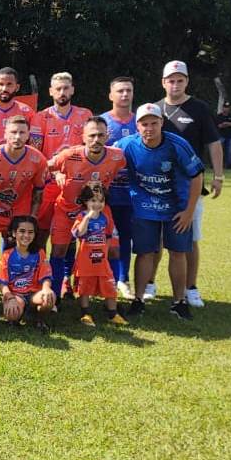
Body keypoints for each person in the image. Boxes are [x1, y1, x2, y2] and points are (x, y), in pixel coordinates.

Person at [114, 103, 204, 321]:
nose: (149, 128)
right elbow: (106, 159)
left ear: (162, 123)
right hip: (145, 208)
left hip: (177, 209)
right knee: (145, 253)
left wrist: (189, 211)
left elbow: (197, 176)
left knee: (177, 252)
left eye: (154, 123)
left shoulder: (177, 145)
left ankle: (179, 302)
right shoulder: (126, 145)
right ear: (137, 126)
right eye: (144, 124)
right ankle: (138, 300)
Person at [156, 60, 223, 309]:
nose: (175, 85)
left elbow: (214, 143)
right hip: (159, 185)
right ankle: (150, 283)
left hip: (190, 186)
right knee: (158, 238)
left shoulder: (199, 108)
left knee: (190, 238)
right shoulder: (156, 110)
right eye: (171, 80)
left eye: (180, 80)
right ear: (164, 82)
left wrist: (218, 176)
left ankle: (191, 287)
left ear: (186, 81)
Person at [45, 117, 125, 301]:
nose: (96, 139)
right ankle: (55, 296)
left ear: (107, 136)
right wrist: (57, 173)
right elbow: (46, 166)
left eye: (100, 135)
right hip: (67, 210)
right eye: (92, 135)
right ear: (83, 137)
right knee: (59, 250)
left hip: (98, 210)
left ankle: (110, 298)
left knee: (113, 249)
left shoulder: (116, 156)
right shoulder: (69, 155)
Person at [0, 116, 49, 305]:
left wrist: (31, 217)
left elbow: (38, 191)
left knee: (14, 252)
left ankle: (14, 292)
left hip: (19, 214)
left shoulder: (37, 159)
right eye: (13, 132)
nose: (17, 136)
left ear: (28, 136)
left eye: (22, 132)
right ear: (5, 134)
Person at [30, 72, 92, 253]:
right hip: (49, 182)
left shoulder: (85, 115)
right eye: (58, 89)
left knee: (71, 233)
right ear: (51, 92)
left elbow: (88, 149)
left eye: (66, 88)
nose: (62, 92)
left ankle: (66, 277)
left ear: (72, 90)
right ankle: (39, 272)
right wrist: (54, 172)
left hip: (75, 182)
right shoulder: (40, 117)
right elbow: (36, 153)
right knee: (41, 231)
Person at [99, 76, 137, 299]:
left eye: (128, 91)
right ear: (111, 95)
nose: (124, 94)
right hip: (105, 190)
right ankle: (98, 276)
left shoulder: (140, 121)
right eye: (120, 91)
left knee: (125, 235)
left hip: (131, 191)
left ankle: (123, 279)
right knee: (98, 234)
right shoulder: (102, 121)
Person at [70, 184, 128, 326]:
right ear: (85, 202)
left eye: (101, 201)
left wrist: (104, 253)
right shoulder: (81, 216)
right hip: (85, 261)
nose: (97, 204)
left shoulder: (105, 218)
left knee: (110, 286)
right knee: (85, 288)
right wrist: (87, 218)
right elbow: (79, 233)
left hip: (101, 260)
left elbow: (108, 236)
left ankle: (113, 314)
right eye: (93, 201)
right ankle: (85, 313)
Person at [0, 216, 56, 332]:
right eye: (22, 231)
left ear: (35, 234)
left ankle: (40, 320)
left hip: (34, 294)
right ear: (13, 233)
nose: (26, 235)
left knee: (50, 297)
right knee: (12, 314)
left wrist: (46, 289)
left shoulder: (39, 253)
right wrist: (9, 297)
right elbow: (2, 283)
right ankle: (16, 318)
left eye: (30, 232)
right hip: (17, 295)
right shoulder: (7, 255)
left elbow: (46, 276)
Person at [215, 103, 231, 169]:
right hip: (221, 136)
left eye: (227, 107)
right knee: (219, 150)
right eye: (225, 107)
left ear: (229, 108)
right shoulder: (219, 116)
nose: (226, 109)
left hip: (229, 136)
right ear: (222, 108)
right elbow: (216, 125)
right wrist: (222, 125)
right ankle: (217, 164)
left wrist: (228, 123)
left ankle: (229, 165)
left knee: (229, 151)